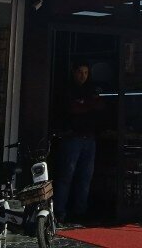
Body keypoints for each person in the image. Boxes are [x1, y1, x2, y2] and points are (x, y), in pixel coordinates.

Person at [54, 62, 101, 223]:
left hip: (89, 138)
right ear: (74, 72)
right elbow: (72, 108)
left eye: (86, 73)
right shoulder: (68, 89)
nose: (83, 76)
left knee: (85, 177)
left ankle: (80, 212)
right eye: (80, 72)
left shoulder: (90, 89)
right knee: (66, 176)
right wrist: (89, 104)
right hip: (72, 137)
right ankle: (59, 211)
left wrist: (85, 104)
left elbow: (99, 106)